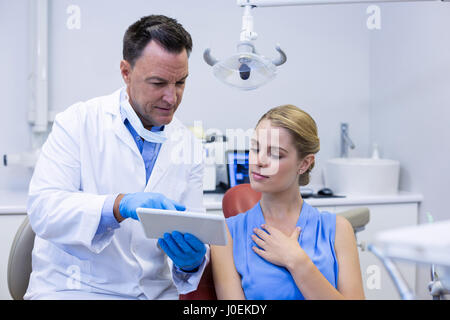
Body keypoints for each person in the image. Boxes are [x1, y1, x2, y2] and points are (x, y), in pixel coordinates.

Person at [25, 15, 208, 300]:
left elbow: (193, 231)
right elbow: (44, 209)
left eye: (180, 82)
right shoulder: (78, 122)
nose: (172, 98)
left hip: (155, 294)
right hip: (77, 290)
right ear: (126, 72)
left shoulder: (189, 146)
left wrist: (191, 262)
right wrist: (118, 205)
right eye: (158, 83)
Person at [211, 105, 365, 300]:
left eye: (275, 154)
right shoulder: (225, 235)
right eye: (256, 148)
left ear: (304, 164)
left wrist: (298, 262)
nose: (259, 161)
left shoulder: (339, 230)